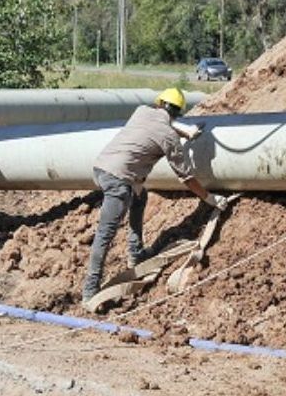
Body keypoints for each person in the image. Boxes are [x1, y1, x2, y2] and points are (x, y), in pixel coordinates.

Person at [82, 87, 228, 305]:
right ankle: (90, 290)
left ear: (159, 103)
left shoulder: (141, 111)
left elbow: (158, 125)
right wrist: (209, 198)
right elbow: (186, 177)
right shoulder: (169, 136)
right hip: (119, 180)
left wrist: (184, 133)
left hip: (101, 168)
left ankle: (135, 253)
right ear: (178, 113)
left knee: (140, 198)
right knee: (105, 233)